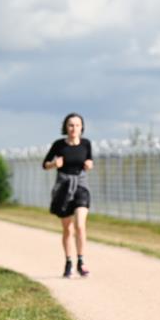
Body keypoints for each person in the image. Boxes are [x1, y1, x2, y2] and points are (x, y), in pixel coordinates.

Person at [42, 113, 93, 278]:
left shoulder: (86, 144)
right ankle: (68, 262)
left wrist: (89, 164)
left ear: (82, 128)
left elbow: (89, 162)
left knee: (80, 225)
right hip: (63, 187)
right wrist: (53, 164)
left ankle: (81, 261)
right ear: (66, 127)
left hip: (81, 185)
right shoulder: (58, 145)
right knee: (67, 229)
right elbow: (45, 164)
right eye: (71, 125)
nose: (74, 128)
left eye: (77, 125)